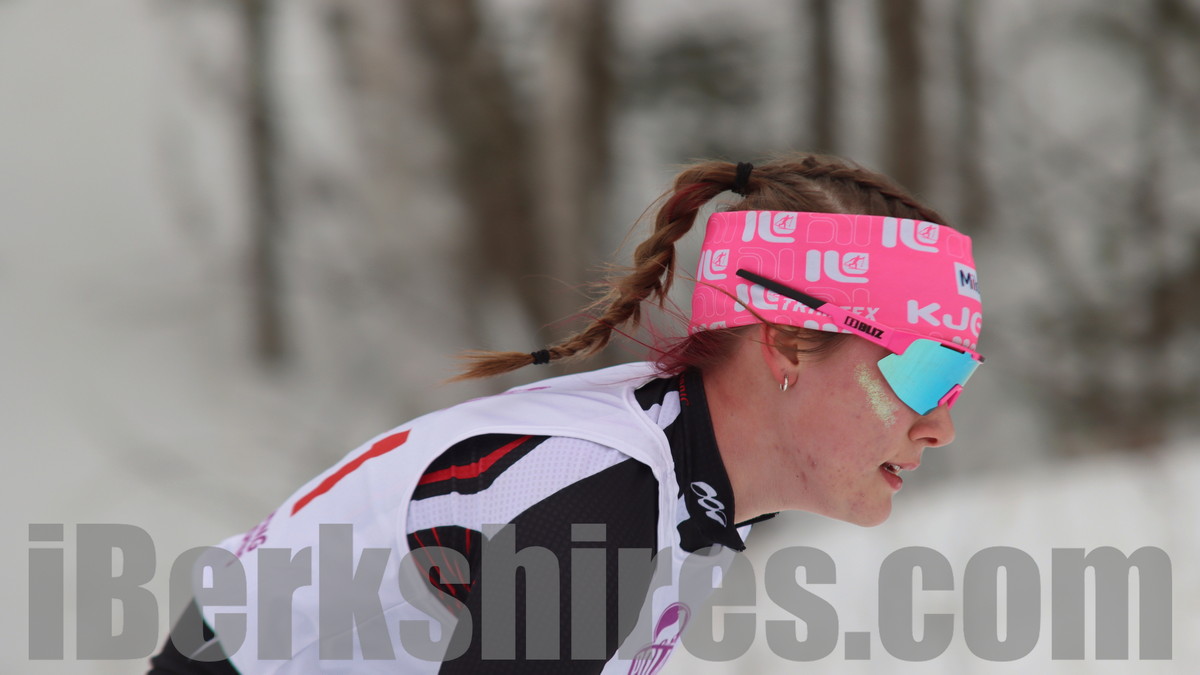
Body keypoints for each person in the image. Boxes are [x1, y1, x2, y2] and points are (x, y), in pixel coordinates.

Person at [148, 153, 984, 674]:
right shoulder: (604, 503)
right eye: (927, 371)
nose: (942, 423)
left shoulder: (684, 477)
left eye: (961, 378)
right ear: (787, 344)